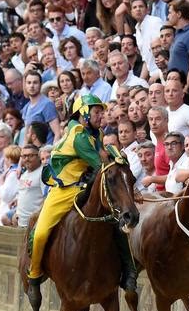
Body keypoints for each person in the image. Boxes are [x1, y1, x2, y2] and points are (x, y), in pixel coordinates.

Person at [28, 94, 137, 294]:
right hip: (64, 191)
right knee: (41, 232)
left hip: (85, 186)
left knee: (114, 223)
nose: (101, 116)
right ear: (84, 113)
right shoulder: (79, 136)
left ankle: (129, 270)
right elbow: (102, 164)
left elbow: (106, 160)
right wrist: (116, 156)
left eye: (101, 112)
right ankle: (34, 274)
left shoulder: (98, 134)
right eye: (96, 112)